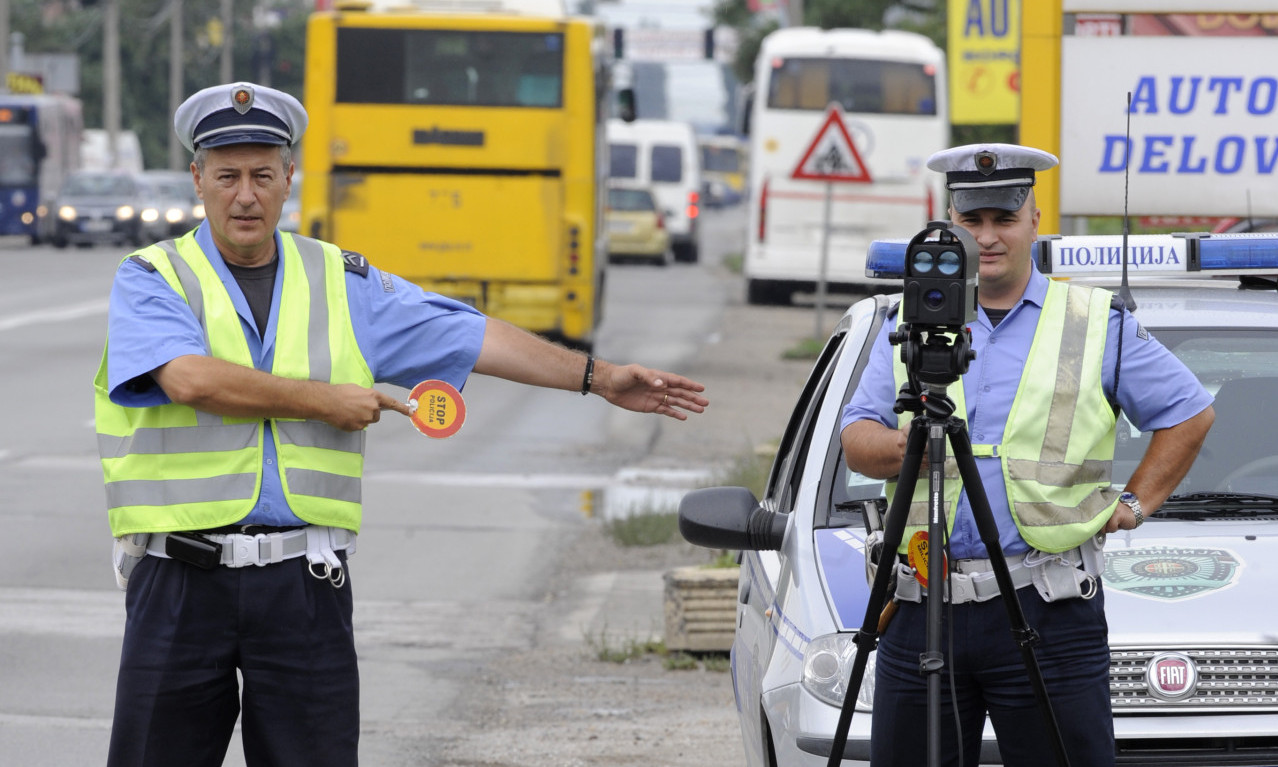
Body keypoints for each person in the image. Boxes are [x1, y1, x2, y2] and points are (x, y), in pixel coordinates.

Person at [93, 82, 709, 767]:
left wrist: (596, 377)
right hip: (178, 584)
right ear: (198, 178)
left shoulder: (339, 279)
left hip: (304, 583)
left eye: (263, 175)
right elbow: (190, 380)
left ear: (288, 179)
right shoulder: (154, 278)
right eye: (228, 175)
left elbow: (470, 336)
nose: (245, 195)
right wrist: (328, 400)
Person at [840, 143, 1215, 767]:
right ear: (949, 223)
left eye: (1004, 220)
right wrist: (917, 448)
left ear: (1034, 222)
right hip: (920, 600)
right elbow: (858, 439)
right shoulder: (907, 320)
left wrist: (1134, 503)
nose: (987, 238)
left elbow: (1189, 414)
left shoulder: (1092, 320)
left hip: (1048, 607)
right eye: (972, 221)